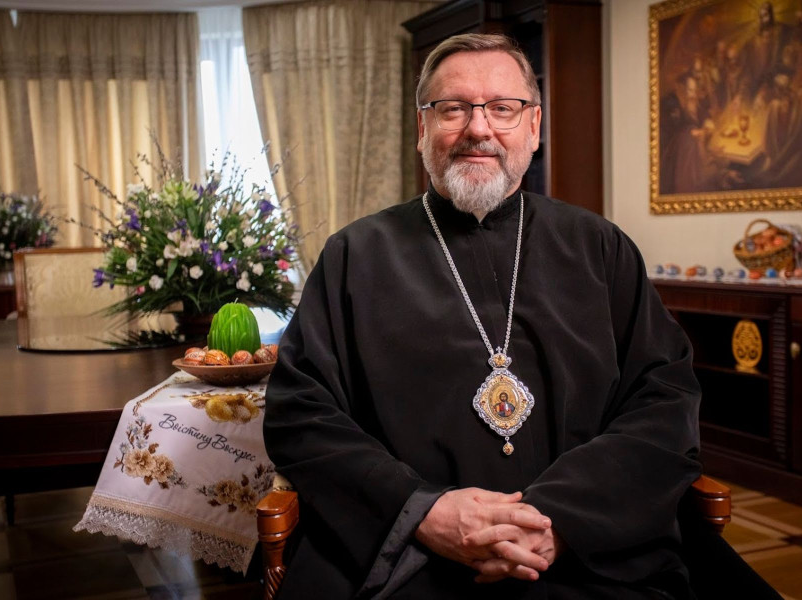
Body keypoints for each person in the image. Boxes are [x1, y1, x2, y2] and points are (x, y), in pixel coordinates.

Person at [264, 33, 703, 599]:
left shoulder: (599, 247)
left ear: (534, 126)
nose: (478, 128)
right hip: (408, 558)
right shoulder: (355, 255)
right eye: (454, 108)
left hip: (589, 550)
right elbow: (301, 413)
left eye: (502, 108)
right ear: (422, 127)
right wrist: (422, 510)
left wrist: (559, 520)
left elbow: (664, 398)